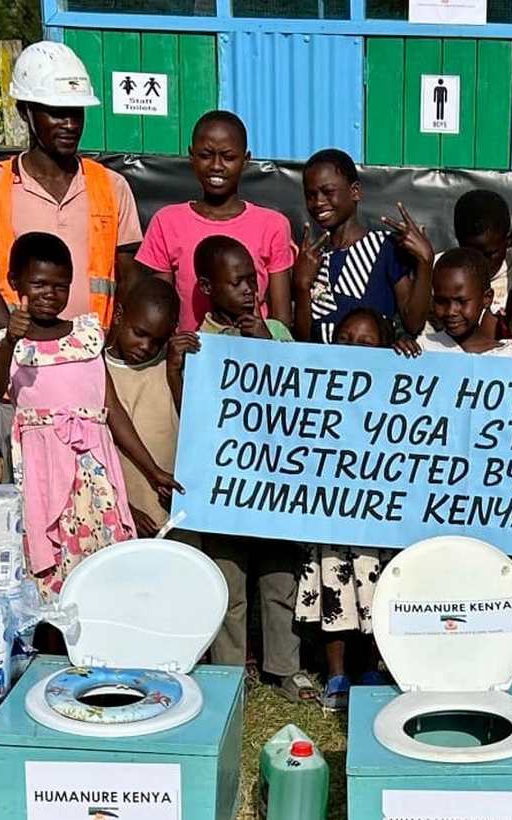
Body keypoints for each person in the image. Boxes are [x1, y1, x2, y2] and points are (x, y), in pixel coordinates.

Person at [0, 42, 143, 480]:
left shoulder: (111, 187)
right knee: (34, 501)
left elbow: (130, 277)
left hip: (91, 377)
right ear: (26, 112)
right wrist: (25, 345)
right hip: (23, 380)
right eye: (55, 112)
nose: (69, 123)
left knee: (97, 498)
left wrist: (106, 348)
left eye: (75, 112)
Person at [0, 233, 179, 599]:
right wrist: (10, 341)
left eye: (60, 286)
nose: (50, 294)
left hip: (93, 474)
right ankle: (54, 634)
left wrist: (152, 471)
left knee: (102, 563)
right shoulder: (3, 343)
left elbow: (111, 410)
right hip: (43, 474)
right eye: (39, 284)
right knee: (50, 566)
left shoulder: (87, 336)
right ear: (14, 282)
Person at [194, 235, 311, 702]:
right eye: (236, 282)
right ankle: (228, 671)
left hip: (276, 481)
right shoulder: (198, 342)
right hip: (225, 486)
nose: (249, 289)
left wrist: (267, 344)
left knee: (280, 578)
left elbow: (302, 391)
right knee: (229, 581)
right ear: (208, 287)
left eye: (253, 279)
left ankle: (285, 667)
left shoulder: (276, 331)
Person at [296, 306, 397, 711]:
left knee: (378, 587)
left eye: (366, 343)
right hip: (333, 517)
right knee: (333, 587)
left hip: (376, 517)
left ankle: (370, 667)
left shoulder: (395, 391)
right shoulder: (319, 387)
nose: (354, 348)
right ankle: (337, 673)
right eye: (345, 339)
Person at [135, 110, 295, 333]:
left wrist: (265, 339)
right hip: (193, 352)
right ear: (192, 156)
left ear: (246, 160)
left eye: (228, 157)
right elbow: (162, 309)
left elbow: (281, 320)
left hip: (254, 350)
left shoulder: (273, 225)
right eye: (206, 155)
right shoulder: (167, 222)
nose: (216, 166)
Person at [293, 148, 433, 343]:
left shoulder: (385, 247)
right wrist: (301, 286)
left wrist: (425, 262)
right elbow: (303, 342)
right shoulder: (312, 260)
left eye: (328, 192)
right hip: (322, 362)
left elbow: (413, 323)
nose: (318, 202)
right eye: (310, 195)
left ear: (355, 191)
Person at [104, 276, 201, 546]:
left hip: (177, 517)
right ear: (119, 316)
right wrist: (123, 508)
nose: (146, 347)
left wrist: (174, 373)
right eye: (140, 333)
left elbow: (197, 427)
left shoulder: (174, 365)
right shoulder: (95, 369)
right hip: (122, 517)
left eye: (158, 341)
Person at [400, 249, 512, 357]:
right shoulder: (423, 348)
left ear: (487, 298)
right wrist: (402, 354)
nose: (450, 311)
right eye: (441, 301)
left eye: (460, 301)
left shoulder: (504, 356)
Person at [444, 190, 512, 315]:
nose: (480, 264)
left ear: (508, 240)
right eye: (471, 254)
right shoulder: (440, 271)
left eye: (488, 255)